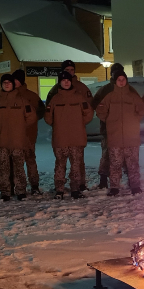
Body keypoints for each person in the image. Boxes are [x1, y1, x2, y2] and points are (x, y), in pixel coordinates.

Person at [96, 70, 144, 196]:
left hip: (131, 137)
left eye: (123, 79)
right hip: (115, 136)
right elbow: (100, 111)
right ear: (115, 81)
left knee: (133, 163)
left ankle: (135, 186)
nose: (122, 82)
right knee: (115, 164)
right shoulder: (110, 96)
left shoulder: (133, 96)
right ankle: (114, 187)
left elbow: (141, 110)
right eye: (119, 80)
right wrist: (109, 121)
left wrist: (134, 121)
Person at [44, 71, 94, 199]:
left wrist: (79, 124)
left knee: (76, 166)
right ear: (60, 82)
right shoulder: (55, 99)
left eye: (68, 80)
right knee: (60, 166)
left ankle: (75, 189)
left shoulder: (79, 97)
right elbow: (48, 117)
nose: (66, 82)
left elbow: (88, 113)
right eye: (63, 80)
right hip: (60, 139)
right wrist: (57, 125)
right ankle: (59, 190)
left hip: (76, 138)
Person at [0, 73, 36, 201]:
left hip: (18, 141)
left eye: (9, 82)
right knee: (3, 169)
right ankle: (5, 191)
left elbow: (31, 117)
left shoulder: (22, 101)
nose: (7, 84)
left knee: (19, 168)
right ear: (1, 85)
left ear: (13, 84)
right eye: (4, 82)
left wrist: (19, 127)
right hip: (2, 141)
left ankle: (20, 190)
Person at [12, 69, 45, 195]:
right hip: (13, 135)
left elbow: (41, 112)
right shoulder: (8, 95)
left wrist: (31, 120)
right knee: (15, 163)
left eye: (16, 80)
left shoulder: (32, 96)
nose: (14, 83)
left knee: (30, 160)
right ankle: (17, 186)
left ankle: (34, 185)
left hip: (28, 134)